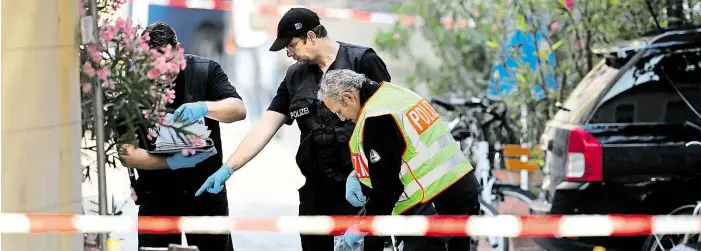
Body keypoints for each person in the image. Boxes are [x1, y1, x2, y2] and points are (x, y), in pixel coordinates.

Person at [195, 7, 392, 251]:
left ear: (311, 36)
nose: (288, 54)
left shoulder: (362, 61)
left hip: (360, 191)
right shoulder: (295, 76)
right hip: (316, 194)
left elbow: (388, 127)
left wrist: (367, 179)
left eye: (291, 46)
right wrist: (227, 169)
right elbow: (266, 125)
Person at [317, 69, 483, 251]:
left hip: (432, 205)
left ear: (349, 97)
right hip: (461, 193)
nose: (342, 118)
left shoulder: (376, 117)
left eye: (340, 111)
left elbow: (388, 188)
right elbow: (409, 151)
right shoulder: (394, 95)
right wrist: (356, 174)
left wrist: (362, 225)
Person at [117, 21, 246, 251]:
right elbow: (126, 152)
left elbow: (238, 110)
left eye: (169, 62)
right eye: (154, 66)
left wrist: (205, 107)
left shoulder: (205, 71)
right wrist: (170, 162)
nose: (163, 72)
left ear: (179, 50)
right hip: (157, 194)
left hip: (205, 190)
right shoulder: (132, 85)